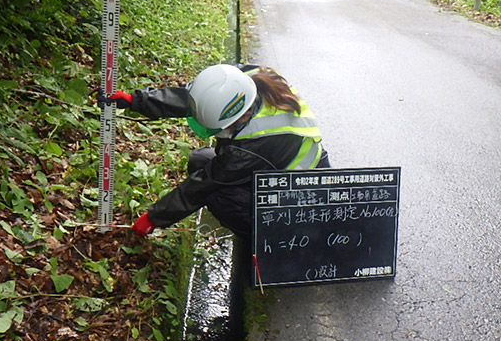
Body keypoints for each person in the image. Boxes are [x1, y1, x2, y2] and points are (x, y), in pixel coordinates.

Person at [98, 64, 330, 241]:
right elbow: (195, 100)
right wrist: (136, 101)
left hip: (297, 196)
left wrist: (153, 218)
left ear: (238, 118)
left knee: (220, 197)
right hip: (274, 171)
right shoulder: (244, 80)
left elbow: (202, 186)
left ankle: (268, 241)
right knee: (200, 159)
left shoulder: (255, 145)